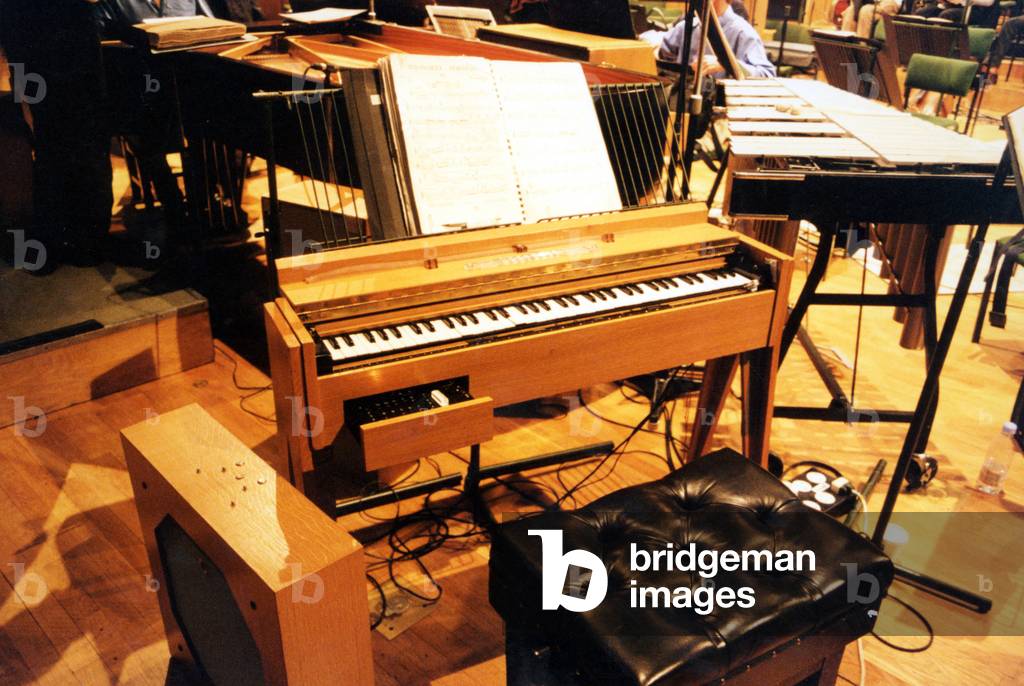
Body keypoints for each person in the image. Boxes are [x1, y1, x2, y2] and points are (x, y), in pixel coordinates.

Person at [0, 0, 113, 269]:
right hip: (55, 35)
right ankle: (82, 240)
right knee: (76, 140)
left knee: (56, 141)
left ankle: (61, 242)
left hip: (37, 33)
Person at [640, 0, 776, 78]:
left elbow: (767, 75)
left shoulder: (743, 32)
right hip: (682, 106)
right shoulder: (687, 27)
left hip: (719, 111)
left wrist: (726, 64)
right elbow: (663, 51)